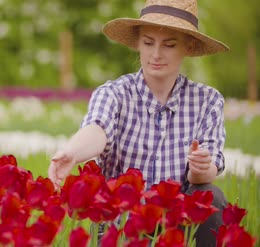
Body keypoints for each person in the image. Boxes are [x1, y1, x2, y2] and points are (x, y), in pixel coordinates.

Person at [48, 0, 229, 246]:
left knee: (211, 195)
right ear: (138, 44)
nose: (156, 54)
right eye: (148, 43)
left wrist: (199, 168)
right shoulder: (114, 93)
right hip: (123, 219)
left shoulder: (207, 101)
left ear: (188, 46)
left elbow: (206, 175)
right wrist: (72, 152)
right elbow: (97, 130)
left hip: (178, 224)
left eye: (169, 45)